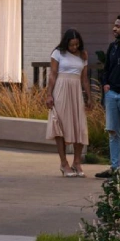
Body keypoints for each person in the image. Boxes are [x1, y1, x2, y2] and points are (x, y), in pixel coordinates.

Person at [48, 28, 92, 178]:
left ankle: (77, 162)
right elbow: (53, 75)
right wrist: (49, 95)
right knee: (60, 125)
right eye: (71, 45)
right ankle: (63, 163)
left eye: (76, 45)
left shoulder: (83, 54)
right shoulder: (57, 53)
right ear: (66, 43)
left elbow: (84, 78)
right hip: (61, 90)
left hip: (76, 92)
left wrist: (89, 97)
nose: (74, 48)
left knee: (79, 125)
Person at [102, 16, 120, 179]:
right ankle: (115, 167)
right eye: (114, 25)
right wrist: (105, 84)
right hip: (112, 93)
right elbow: (106, 68)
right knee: (113, 131)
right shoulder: (112, 47)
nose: (115, 29)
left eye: (118, 26)